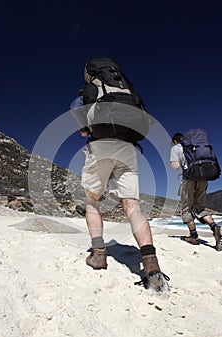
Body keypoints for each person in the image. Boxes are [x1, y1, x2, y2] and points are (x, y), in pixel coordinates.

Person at [70, 64, 169, 292]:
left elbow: (78, 117)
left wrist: (86, 129)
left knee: (93, 203)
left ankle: (99, 255)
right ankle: (150, 262)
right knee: (132, 206)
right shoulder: (126, 90)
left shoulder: (88, 91)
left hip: (100, 146)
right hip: (127, 147)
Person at [170, 132, 222, 251]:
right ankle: (215, 228)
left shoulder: (176, 148)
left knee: (186, 208)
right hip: (203, 179)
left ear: (175, 141)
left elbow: (175, 166)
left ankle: (193, 236)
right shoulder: (197, 147)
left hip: (188, 180)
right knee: (201, 208)